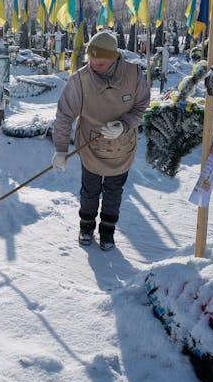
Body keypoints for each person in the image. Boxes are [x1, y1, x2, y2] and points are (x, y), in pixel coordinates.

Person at [52, 30, 150, 251]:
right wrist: (60, 149)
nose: (95, 64)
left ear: (115, 57)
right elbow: (64, 114)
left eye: (102, 62)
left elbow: (142, 107)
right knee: (90, 190)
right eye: (91, 59)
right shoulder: (80, 80)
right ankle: (86, 227)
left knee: (114, 191)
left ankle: (107, 231)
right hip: (91, 147)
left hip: (121, 147)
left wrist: (124, 124)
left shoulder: (133, 75)